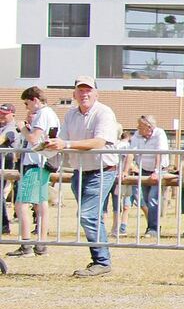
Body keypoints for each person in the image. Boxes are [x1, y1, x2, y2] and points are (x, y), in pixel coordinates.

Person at [38, 78, 120, 277]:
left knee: (87, 216)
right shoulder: (70, 114)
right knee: (92, 217)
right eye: (80, 90)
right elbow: (62, 140)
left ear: (96, 93)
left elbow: (99, 142)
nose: (84, 94)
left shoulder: (104, 112)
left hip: (102, 171)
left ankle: (102, 261)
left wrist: (65, 144)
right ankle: (101, 260)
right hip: (79, 172)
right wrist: (50, 146)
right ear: (74, 94)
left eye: (88, 90)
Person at [9, 87, 60, 257]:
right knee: (41, 203)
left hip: (35, 163)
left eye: (27, 103)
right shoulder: (51, 114)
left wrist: (23, 128)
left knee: (21, 204)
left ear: (35, 100)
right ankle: (41, 244)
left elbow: (33, 139)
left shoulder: (43, 114)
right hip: (44, 162)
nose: (26, 107)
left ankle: (26, 245)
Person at [129, 115, 169, 237]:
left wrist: (156, 171)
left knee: (152, 198)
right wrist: (125, 171)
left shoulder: (159, 133)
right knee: (146, 200)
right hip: (144, 170)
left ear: (149, 127)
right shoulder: (137, 135)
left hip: (159, 170)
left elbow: (159, 153)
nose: (138, 128)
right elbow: (131, 153)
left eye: (140, 126)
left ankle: (153, 229)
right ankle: (152, 226)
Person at [0, 104, 19, 235]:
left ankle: (3, 225)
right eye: (0, 113)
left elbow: (2, 140)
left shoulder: (11, 128)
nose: (1, 116)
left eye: (4, 114)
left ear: (12, 115)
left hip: (5, 165)